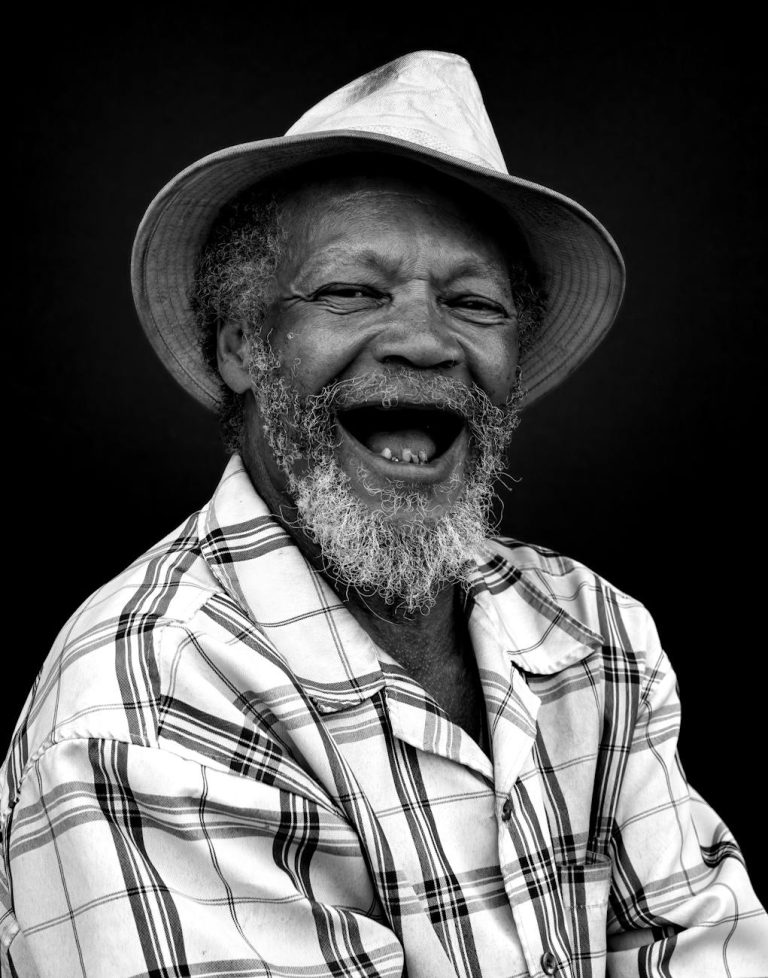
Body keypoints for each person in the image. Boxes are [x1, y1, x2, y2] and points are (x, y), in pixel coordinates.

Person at [0, 50, 764, 978]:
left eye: (473, 303)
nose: (424, 340)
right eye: (351, 292)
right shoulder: (149, 701)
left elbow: (704, 947)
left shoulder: (595, 632)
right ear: (243, 347)